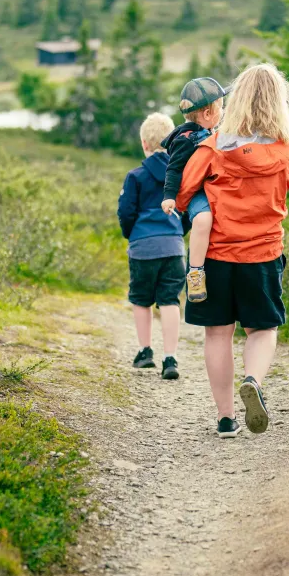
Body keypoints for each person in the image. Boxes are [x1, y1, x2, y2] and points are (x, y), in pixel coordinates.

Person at [175, 63, 289, 438]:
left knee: (217, 334)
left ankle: (226, 418)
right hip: (262, 253)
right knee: (262, 328)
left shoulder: (212, 146)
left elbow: (183, 193)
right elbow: (285, 187)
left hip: (215, 256)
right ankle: (254, 381)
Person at [118, 113, 187, 380]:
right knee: (169, 300)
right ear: (172, 143)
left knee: (141, 299)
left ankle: (145, 351)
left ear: (144, 144)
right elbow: (188, 211)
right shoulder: (180, 176)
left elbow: (126, 212)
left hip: (143, 247)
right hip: (173, 246)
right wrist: (179, 232)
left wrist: (131, 234)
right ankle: (170, 358)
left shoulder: (135, 176)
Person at [160, 78, 227, 304]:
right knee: (203, 220)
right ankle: (196, 273)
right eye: (221, 107)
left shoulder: (210, 132)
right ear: (207, 113)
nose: (223, 111)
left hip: (212, 186)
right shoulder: (186, 140)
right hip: (197, 193)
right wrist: (169, 197)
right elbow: (173, 169)